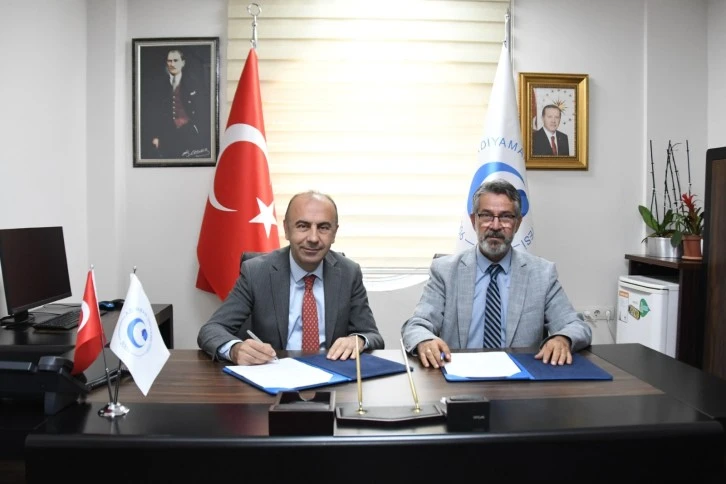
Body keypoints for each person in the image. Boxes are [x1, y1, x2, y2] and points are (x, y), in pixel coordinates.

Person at [401, 179, 591, 368]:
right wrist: (425, 340)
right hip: (460, 374)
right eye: (486, 216)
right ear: (474, 221)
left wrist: (562, 338)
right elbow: (416, 325)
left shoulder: (542, 273)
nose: (495, 225)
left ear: (517, 223)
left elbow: (575, 326)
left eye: (506, 217)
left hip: (520, 376)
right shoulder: (445, 271)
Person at [198, 190, 384, 365]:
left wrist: (359, 340)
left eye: (323, 227)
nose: (313, 238)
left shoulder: (349, 273)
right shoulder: (256, 272)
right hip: (273, 372)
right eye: (303, 226)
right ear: (286, 229)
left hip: (331, 373)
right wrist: (235, 350)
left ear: (334, 233)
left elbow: (372, 335)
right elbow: (211, 330)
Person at [142, 48, 210, 159]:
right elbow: (153, 112)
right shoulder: (158, 84)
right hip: (166, 133)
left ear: (183, 63)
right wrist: (155, 135)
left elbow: (203, 110)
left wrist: (199, 131)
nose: (172, 64)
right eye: (169, 61)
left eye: (175, 60)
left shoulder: (193, 82)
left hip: (189, 131)